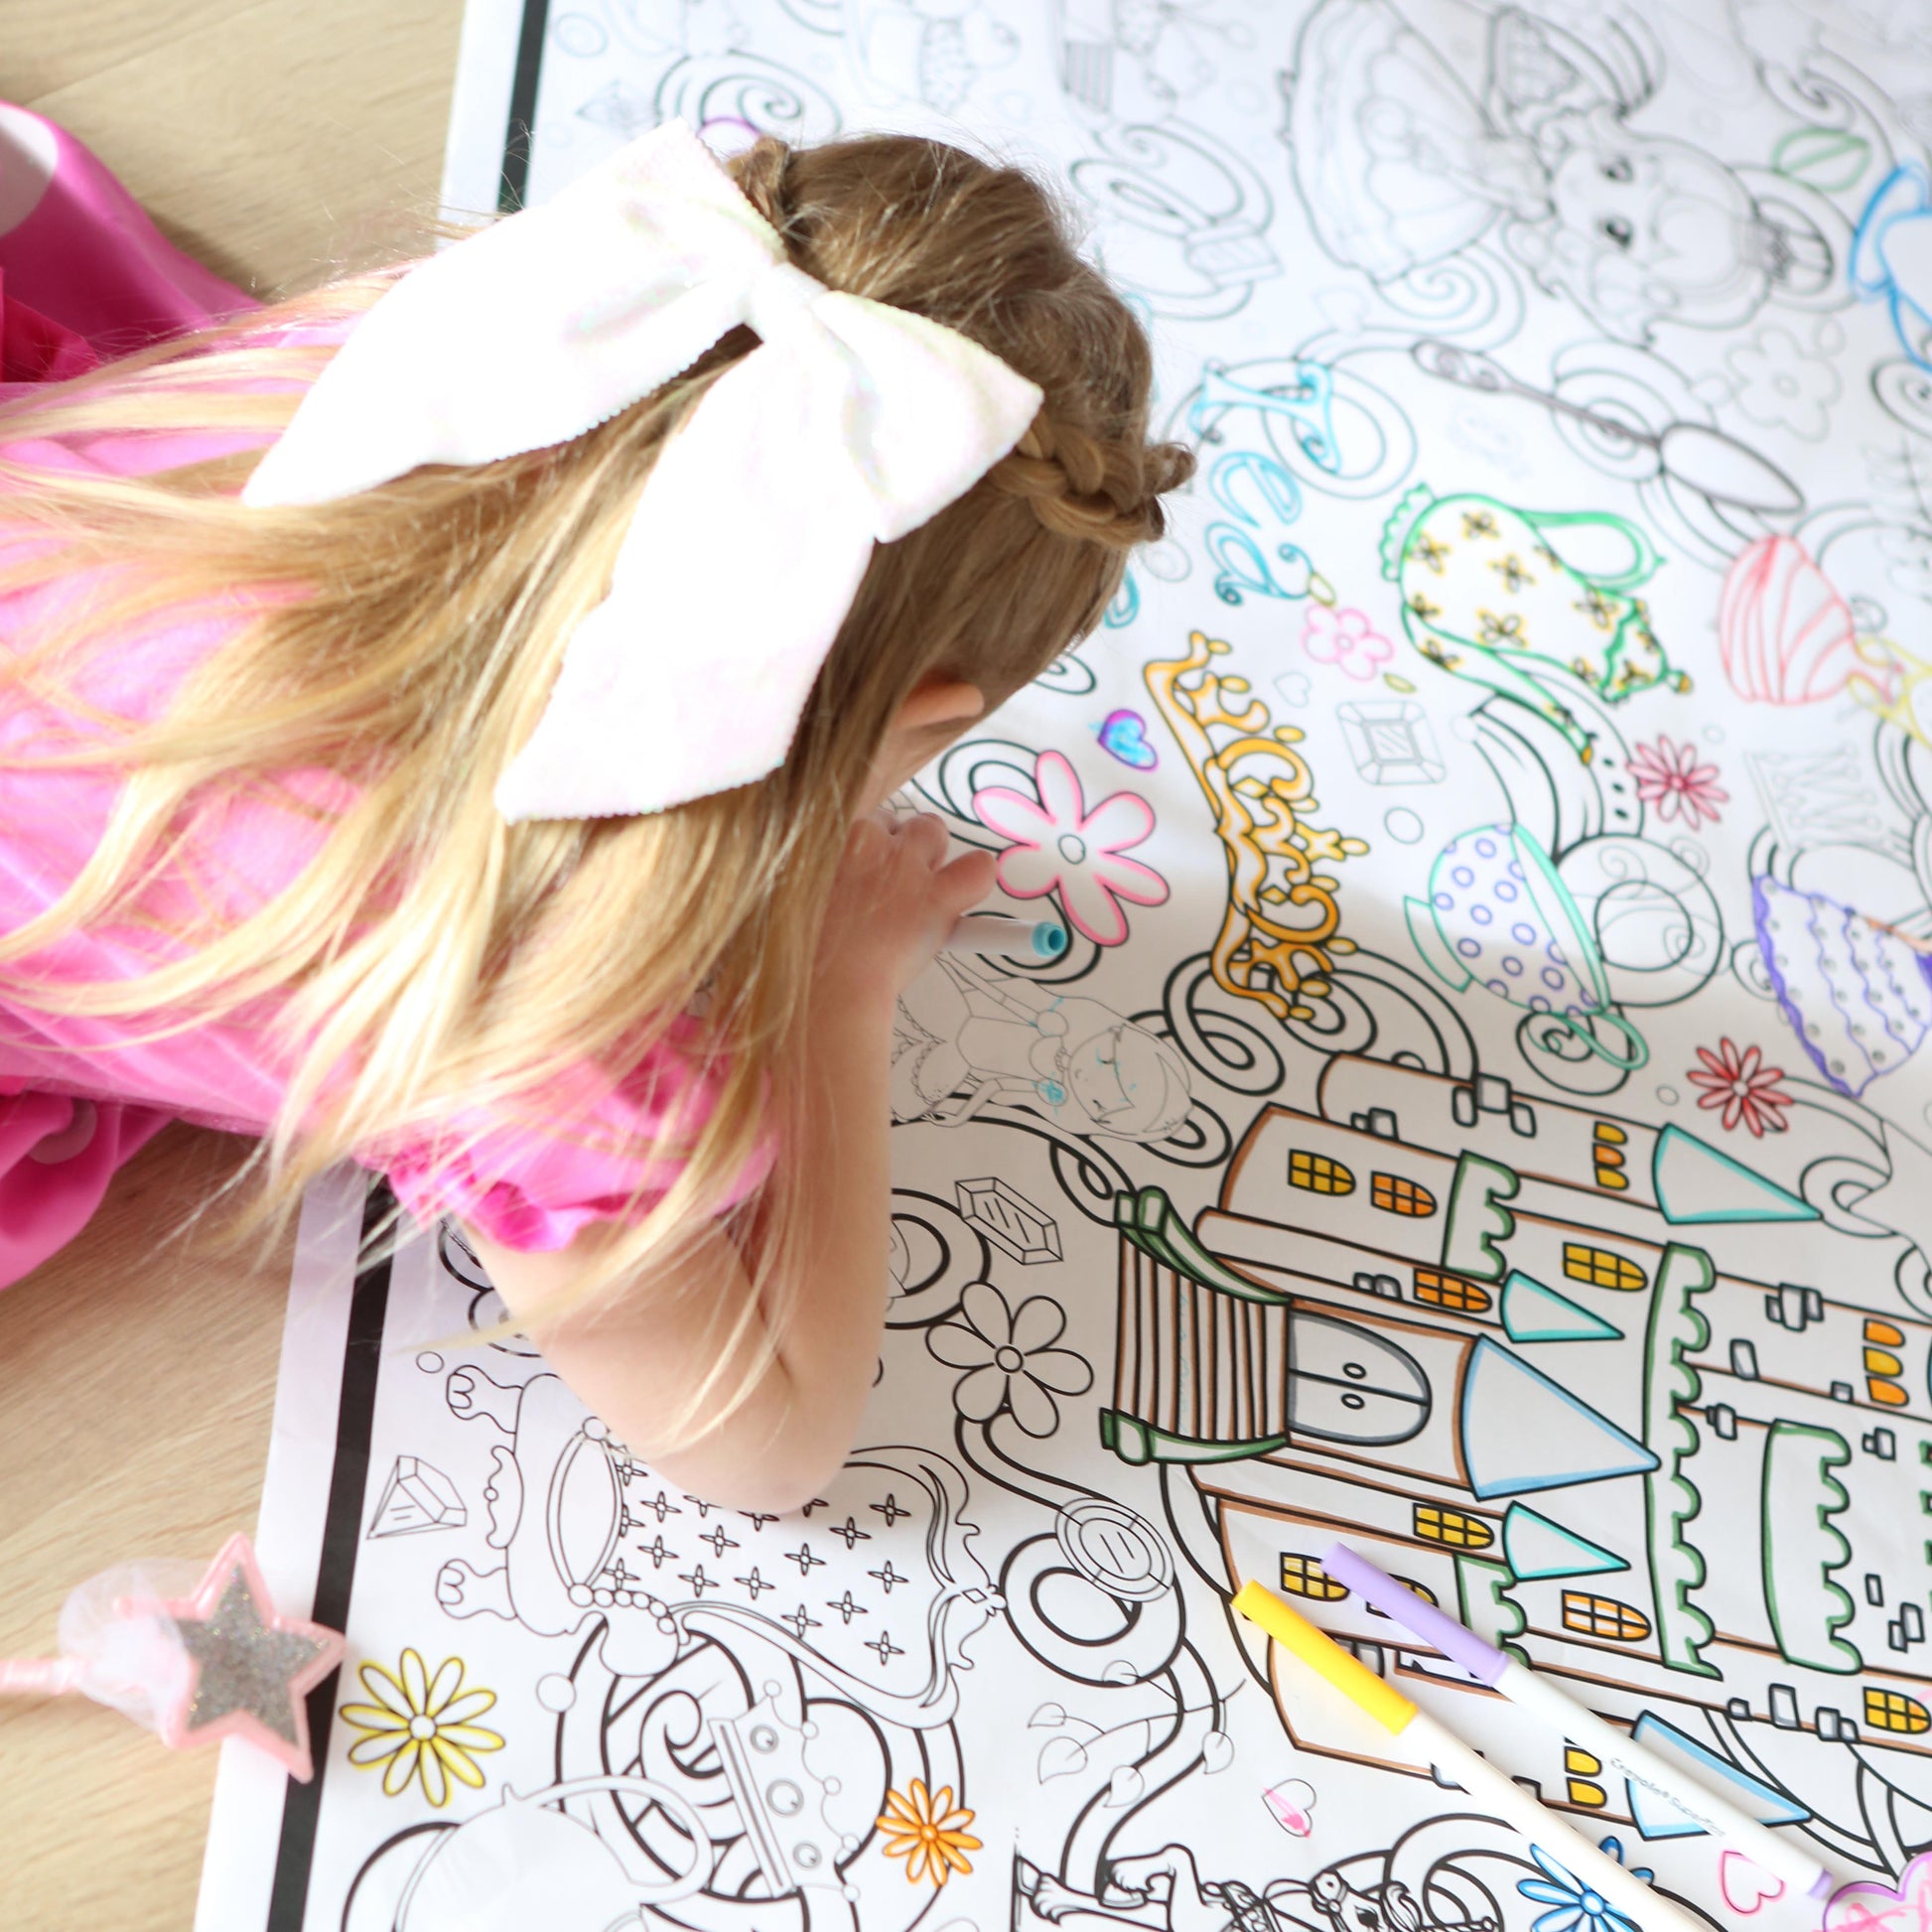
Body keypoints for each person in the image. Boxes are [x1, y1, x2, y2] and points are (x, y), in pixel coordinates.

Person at [0, 106, 1190, 1510]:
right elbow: (770, 1446)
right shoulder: (539, 987)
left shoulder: (352, 372)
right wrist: (838, 989)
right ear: (920, 719)